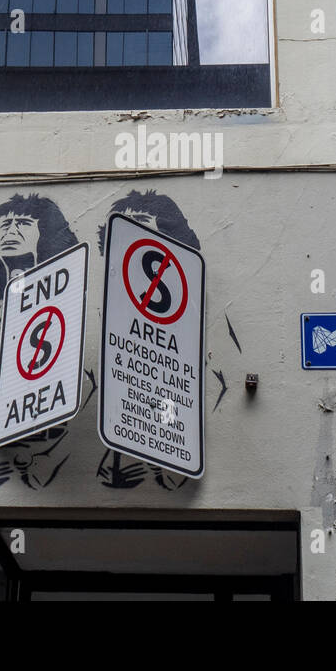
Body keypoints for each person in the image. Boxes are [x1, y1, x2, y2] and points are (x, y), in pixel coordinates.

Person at [0, 193, 87, 489]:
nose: (11, 231)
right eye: (4, 225)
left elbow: (90, 384)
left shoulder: (62, 299)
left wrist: (53, 456)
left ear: (45, 233)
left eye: (23, 223)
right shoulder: (1, 309)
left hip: (43, 446)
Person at [96, 190, 200, 492]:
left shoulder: (188, 308)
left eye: (141, 220)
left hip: (171, 446)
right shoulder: (105, 304)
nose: (131, 227)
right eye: (125, 222)